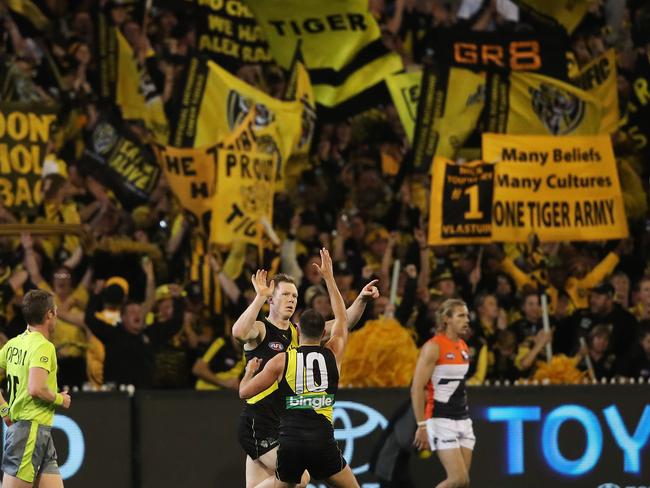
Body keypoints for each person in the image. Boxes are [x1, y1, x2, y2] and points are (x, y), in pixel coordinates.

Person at [232, 264, 379, 488]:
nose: (291, 300)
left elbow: (342, 323)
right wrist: (259, 297)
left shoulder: (297, 332)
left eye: (295, 296)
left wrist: (361, 299)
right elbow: (239, 332)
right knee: (300, 479)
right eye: (285, 295)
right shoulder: (261, 329)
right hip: (259, 422)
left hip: (280, 423)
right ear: (271, 299)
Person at [0, 290, 71, 488]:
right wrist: (60, 399)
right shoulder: (43, 346)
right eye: (55, 311)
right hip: (30, 431)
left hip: (38, 432)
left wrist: (4, 409)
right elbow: (36, 388)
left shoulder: (13, 344)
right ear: (49, 314)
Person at [410, 298, 475, 488]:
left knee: (463, 483)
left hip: (462, 418)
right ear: (446, 319)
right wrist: (422, 424)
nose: (467, 320)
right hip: (440, 418)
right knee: (457, 479)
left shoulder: (463, 346)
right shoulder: (433, 347)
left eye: (467, 315)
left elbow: (459, 385)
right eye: (461, 315)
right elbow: (417, 388)